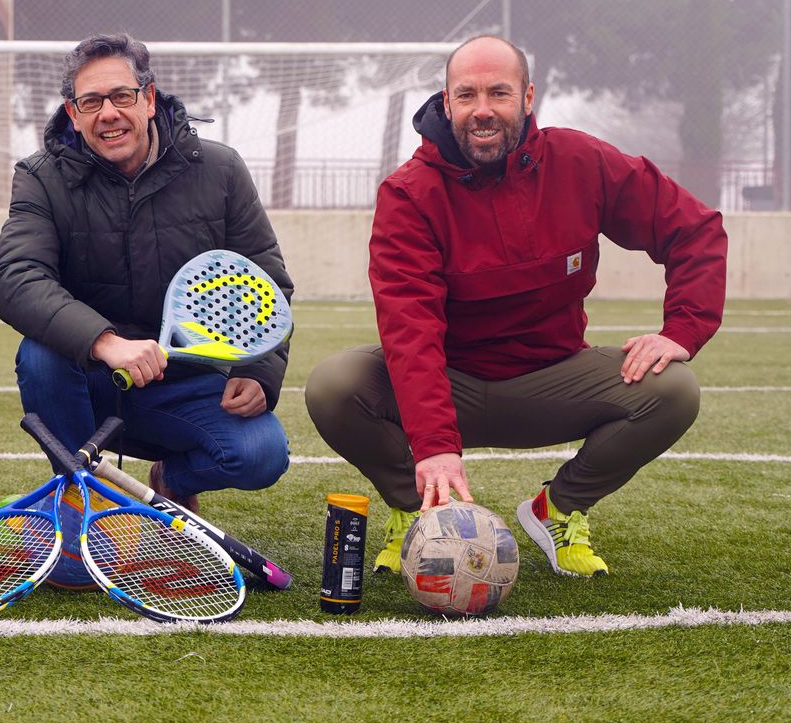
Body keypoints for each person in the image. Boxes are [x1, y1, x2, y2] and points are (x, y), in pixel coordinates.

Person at [306, 35, 726, 578]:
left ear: (528, 98)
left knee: (673, 391)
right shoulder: (410, 193)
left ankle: (558, 508)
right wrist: (433, 445)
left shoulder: (580, 162)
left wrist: (683, 328)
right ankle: (420, 510)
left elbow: (693, 228)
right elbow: (410, 326)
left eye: (499, 93)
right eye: (467, 95)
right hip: (451, 381)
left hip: (551, 381)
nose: (483, 110)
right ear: (447, 102)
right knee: (335, 385)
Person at [0, 33, 292, 511]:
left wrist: (258, 373)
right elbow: (15, 277)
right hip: (91, 379)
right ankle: (81, 497)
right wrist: (105, 342)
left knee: (262, 453)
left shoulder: (219, 170)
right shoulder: (40, 177)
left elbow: (266, 281)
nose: (108, 113)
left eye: (122, 96)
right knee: (40, 356)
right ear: (73, 114)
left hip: (184, 383)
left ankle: (170, 480)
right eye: (91, 102)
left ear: (149, 99)